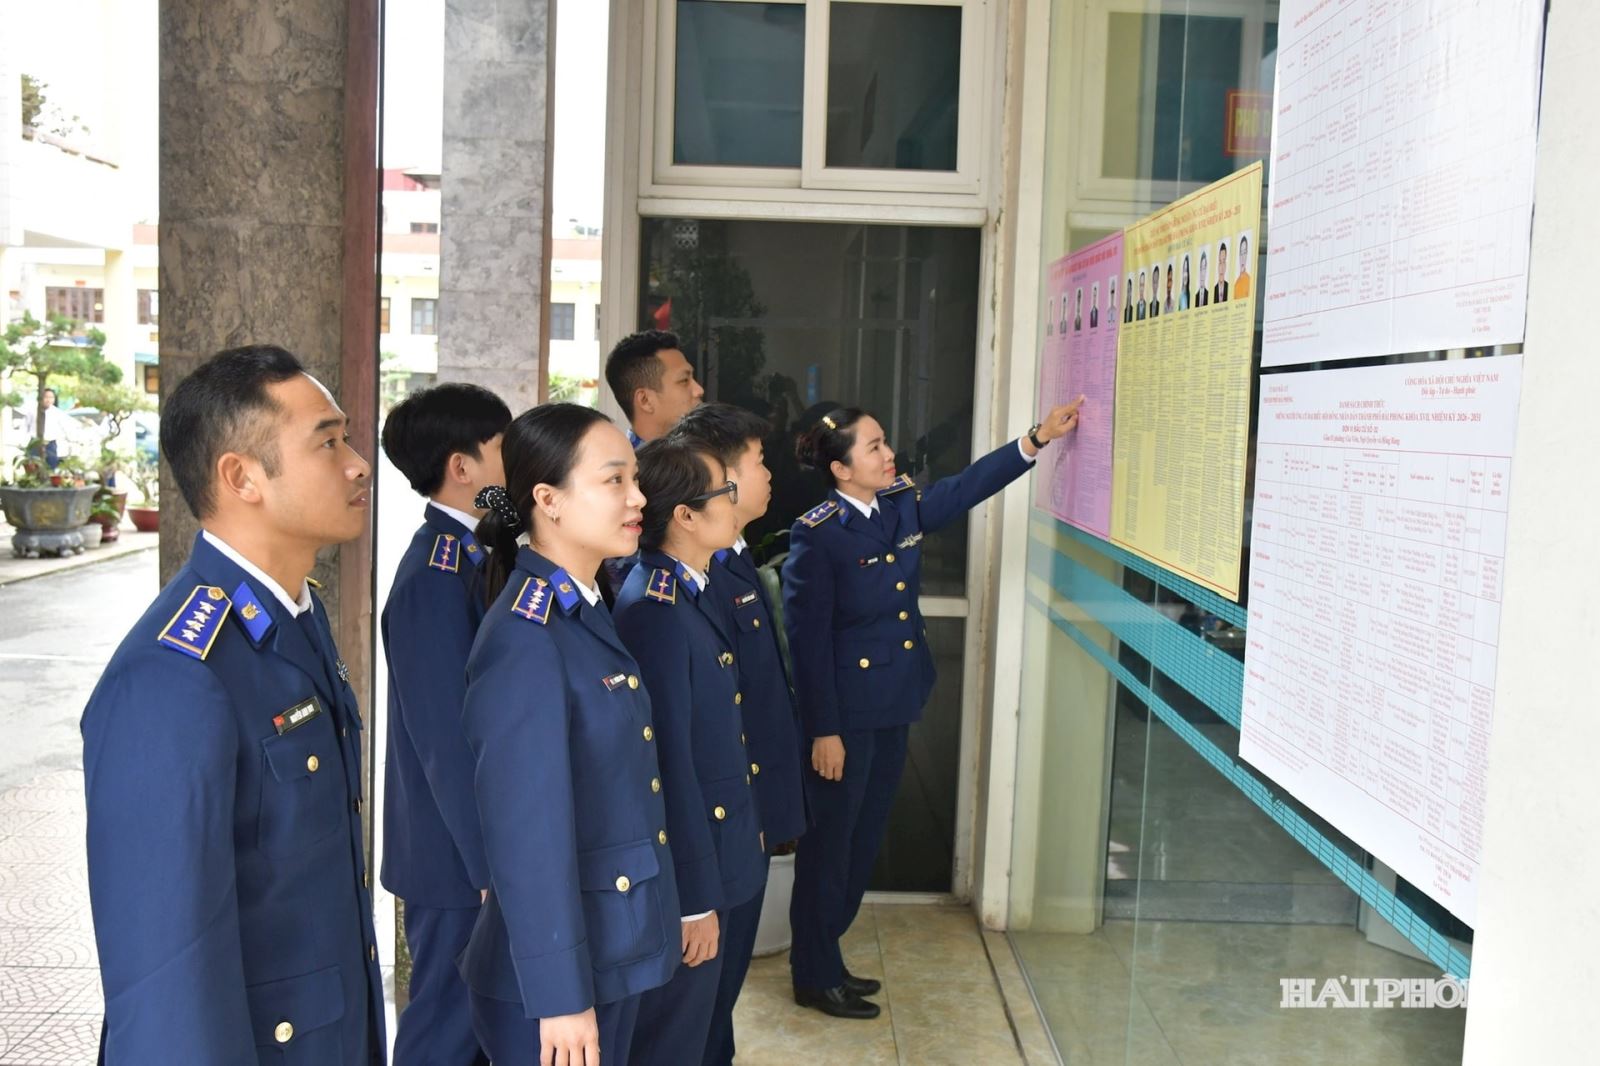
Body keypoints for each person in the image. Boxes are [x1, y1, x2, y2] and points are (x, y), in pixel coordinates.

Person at [80, 345, 384, 1062]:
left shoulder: (292, 619)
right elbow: (166, 977)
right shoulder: (174, 675)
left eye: (347, 439)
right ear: (241, 476)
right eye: (328, 443)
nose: (357, 464)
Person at [782, 397, 1085, 1019]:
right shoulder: (818, 534)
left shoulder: (898, 504)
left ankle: (826, 957)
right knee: (830, 848)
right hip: (847, 718)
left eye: (884, 441)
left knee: (863, 841)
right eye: (873, 446)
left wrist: (1036, 439)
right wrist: (824, 731)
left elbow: (964, 488)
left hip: (894, 702)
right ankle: (813, 973)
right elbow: (808, 645)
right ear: (841, 469)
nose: (889, 453)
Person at [459, 404, 679, 1066]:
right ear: (548, 500)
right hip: (557, 986)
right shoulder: (526, 638)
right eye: (614, 481)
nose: (638, 498)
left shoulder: (582, 608)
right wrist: (560, 996)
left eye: (634, 479)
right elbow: (525, 835)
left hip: (609, 945)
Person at [614, 438, 766, 1066]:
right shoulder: (654, 610)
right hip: (695, 870)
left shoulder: (693, 589)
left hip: (725, 845)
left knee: (708, 1029)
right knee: (676, 1040)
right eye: (724, 491)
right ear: (684, 516)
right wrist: (694, 898)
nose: (736, 501)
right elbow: (668, 765)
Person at [668, 403, 808, 1066]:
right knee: (698, 1010)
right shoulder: (689, 583)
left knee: (717, 1005)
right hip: (722, 823)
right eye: (757, 463)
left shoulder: (732, 560)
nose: (769, 474)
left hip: (745, 814)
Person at [379, 383, 513, 1066]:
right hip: (456, 859)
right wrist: (489, 864)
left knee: (482, 1025)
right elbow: (443, 743)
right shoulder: (433, 576)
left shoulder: (481, 545)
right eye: (504, 447)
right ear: (462, 467)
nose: (518, 460)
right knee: (445, 1026)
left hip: (477, 849)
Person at [605, 329, 705, 447]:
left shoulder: (700, 452)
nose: (699, 390)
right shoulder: (627, 459)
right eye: (684, 380)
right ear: (645, 400)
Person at [25, 386, 69, 469]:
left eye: (51, 397)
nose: (48, 400)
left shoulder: (57, 413)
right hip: (35, 443)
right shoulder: (32, 411)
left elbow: (65, 428)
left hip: (50, 444)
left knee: (51, 467)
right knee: (33, 468)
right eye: (46, 397)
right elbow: (26, 426)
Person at [1234, 234, 1252, 299]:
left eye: (1244, 253)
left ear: (1247, 254)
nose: (1242, 257)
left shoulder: (1249, 281)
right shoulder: (1236, 284)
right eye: (1241, 253)